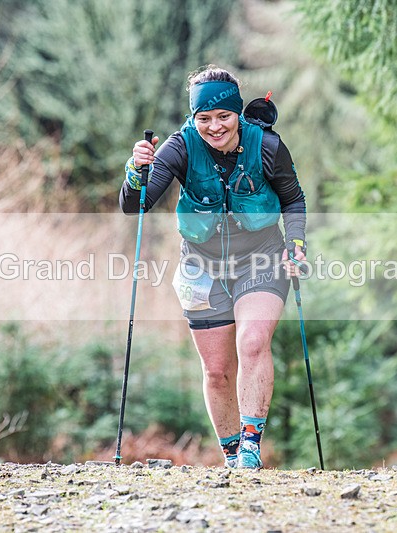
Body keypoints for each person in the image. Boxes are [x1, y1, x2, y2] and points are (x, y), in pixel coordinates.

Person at [119, 65, 306, 469]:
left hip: (261, 259)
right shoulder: (179, 147)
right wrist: (137, 170)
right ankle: (233, 454)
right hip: (200, 266)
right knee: (217, 370)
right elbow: (136, 205)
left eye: (223, 116)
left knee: (254, 341)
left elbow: (293, 199)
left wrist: (295, 244)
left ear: (237, 112)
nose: (214, 126)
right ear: (193, 117)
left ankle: (252, 448)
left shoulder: (268, 146)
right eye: (204, 118)